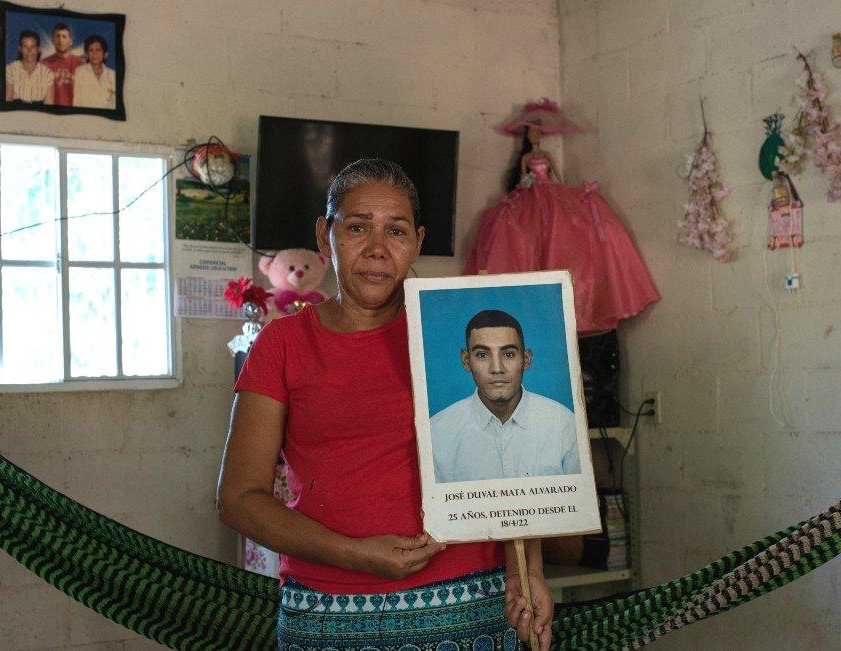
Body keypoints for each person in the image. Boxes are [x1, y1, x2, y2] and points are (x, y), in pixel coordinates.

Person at [217, 159, 553, 649]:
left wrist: (528, 571)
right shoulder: (282, 345)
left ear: (417, 241)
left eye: (395, 231)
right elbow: (238, 499)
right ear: (323, 234)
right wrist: (354, 554)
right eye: (357, 227)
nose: (377, 249)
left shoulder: (455, 332)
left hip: (473, 608)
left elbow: (511, 462)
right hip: (329, 614)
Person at [463, 99, 660, 335]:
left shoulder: (546, 155)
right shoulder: (526, 159)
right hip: (531, 191)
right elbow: (525, 176)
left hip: (549, 190)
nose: (536, 137)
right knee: (526, 232)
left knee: (563, 231)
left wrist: (566, 192)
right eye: (532, 133)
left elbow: (555, 173)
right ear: (528, 136)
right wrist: (525, 185)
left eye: (538, 133)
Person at [431, 309, 580, 484]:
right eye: (482, 355)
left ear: (526, 359)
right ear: (466, 360)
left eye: (508, 354)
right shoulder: (436, 434)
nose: (497, 368)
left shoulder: (564, 424)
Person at [4, 30, 54, 104]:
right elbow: (8, 100)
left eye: (33, 47)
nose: (29, 51)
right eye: (25, 46)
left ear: (39, 49)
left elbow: (49, 104)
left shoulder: (47, 73)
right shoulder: (10, 69)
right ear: (20, 49)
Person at [41, 23, 82, 106]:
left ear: (70, 41)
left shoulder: (81, 65)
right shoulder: (43, 64)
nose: (61, 40)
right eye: (58, 36)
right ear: (53, 40)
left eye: (64, 36)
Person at [73, 35, 116, 109]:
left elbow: (114, 104)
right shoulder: (80, 72)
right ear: (86, 55)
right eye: (91, 50)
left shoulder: (113, 74)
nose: (94, 53)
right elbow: (77, 102)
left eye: (98, 50)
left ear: (105, 54)